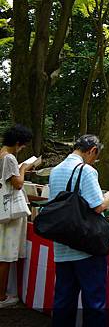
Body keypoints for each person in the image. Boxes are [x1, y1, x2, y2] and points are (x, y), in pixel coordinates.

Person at [49, 134, 109, 327]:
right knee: (94, 301)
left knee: (63, 299)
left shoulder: (55, 170)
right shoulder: (86, 170)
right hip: (86, 246)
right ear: (92, 151)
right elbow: (97, 206)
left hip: (62, 244)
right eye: (96, 155)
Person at [0, 124, 35, 308]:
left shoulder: (1, 154)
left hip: (2, 208)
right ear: (18, 142)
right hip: (9, 212)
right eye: (23, 144)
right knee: (5, 254)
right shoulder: (10, 158)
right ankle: (2, 296)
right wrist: (24, 168)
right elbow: (18, 184)